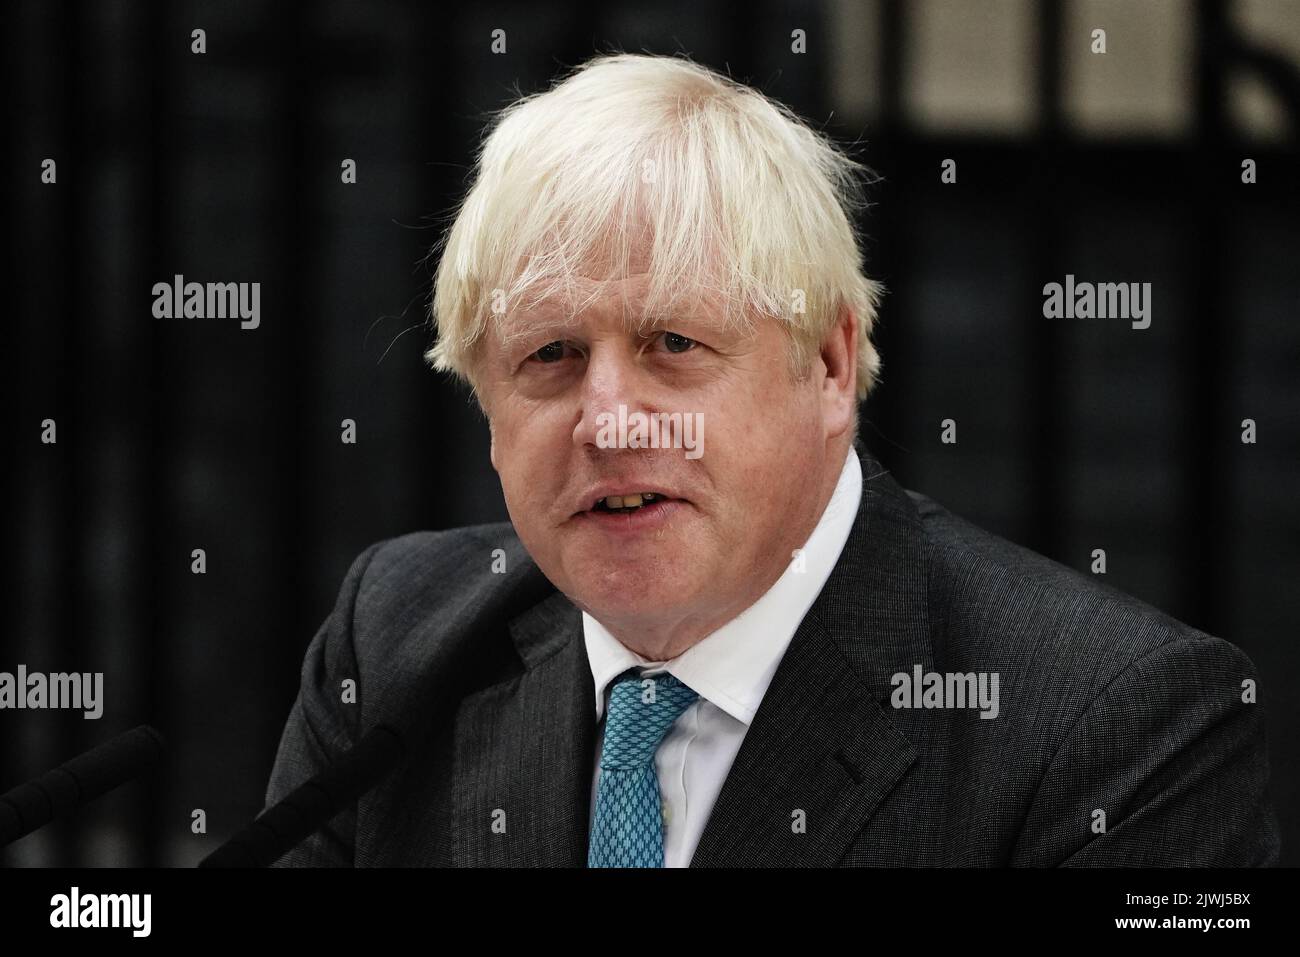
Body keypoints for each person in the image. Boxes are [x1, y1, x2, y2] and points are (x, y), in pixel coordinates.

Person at [264, 53, 1281, 867]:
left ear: (831, 365)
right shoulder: (395, 645)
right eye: (550, 357)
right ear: (486, 407)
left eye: (674, 346)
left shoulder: (1117, 729)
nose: (611, 423)